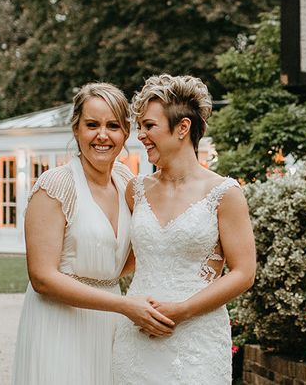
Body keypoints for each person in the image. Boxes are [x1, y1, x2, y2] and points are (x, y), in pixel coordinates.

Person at [12, 82, 174, 385]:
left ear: (125, 133)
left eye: (113, 125)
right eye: (92, 125)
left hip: (110, 324)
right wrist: (125, 305)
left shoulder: (127, 181)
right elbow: (42, 277)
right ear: (76, 129)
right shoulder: (55, 185)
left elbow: (126, 254)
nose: (103, 135)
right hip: (59, 324)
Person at [112, 74, 256, 384]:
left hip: (196, 341)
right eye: (139, 127)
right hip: (136, 339)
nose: (140, 135)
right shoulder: (134, 190)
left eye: (149, 126)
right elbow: (121, 258)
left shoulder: (224, 193)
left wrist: (182, 310)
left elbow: (243, 273)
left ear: (182, 128)